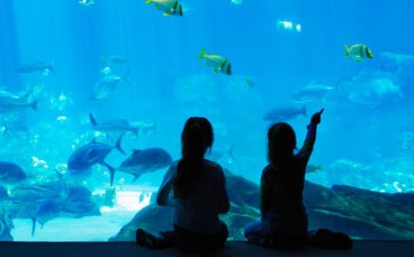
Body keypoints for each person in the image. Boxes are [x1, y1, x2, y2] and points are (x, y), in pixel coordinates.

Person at [244, 108, 352, 250]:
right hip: (300, 224)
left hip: (276, 226)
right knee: (296, 233)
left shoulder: (269, 171)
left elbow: (264, 201)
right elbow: (309, 143)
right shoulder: (299, 162)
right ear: (293, 142)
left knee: (247, 231)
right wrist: (313, 125)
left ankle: (272, 242)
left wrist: (265, 220)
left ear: (270, 146)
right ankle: (309, 236)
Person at [136, 117, 230, 254]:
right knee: (223, 229)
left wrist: (181, 203)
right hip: (211, 239)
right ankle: (170, 238)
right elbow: (224, 208)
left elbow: (160, 200)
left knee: (181, 234)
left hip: (184, 235)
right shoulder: (215, 169)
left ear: (183, 140)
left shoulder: (176, 167)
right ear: (209, 142)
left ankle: (163, 237)